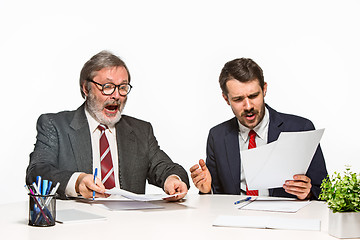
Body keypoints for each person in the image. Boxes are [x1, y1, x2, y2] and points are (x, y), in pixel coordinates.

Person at [26, 50, 189, 200]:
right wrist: (77, 182)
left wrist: (172, 180)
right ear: (86, 88)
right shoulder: (55, 125)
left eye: (123, 87)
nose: (117, 95)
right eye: (108, 87)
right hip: (78, 226)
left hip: (129, 225)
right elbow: (37, 172)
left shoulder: (141, 131)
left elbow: (167, 168)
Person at [190, 58, 327, 200]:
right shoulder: (217, 136)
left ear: (264, 89)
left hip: (284, 220)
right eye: (238, 99)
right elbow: (217, 197)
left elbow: (324, 190)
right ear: (226, 99)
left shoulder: (300, 129)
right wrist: (207, 191)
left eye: (254, 96)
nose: (248, 106)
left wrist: (309, 192)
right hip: (235, 218)